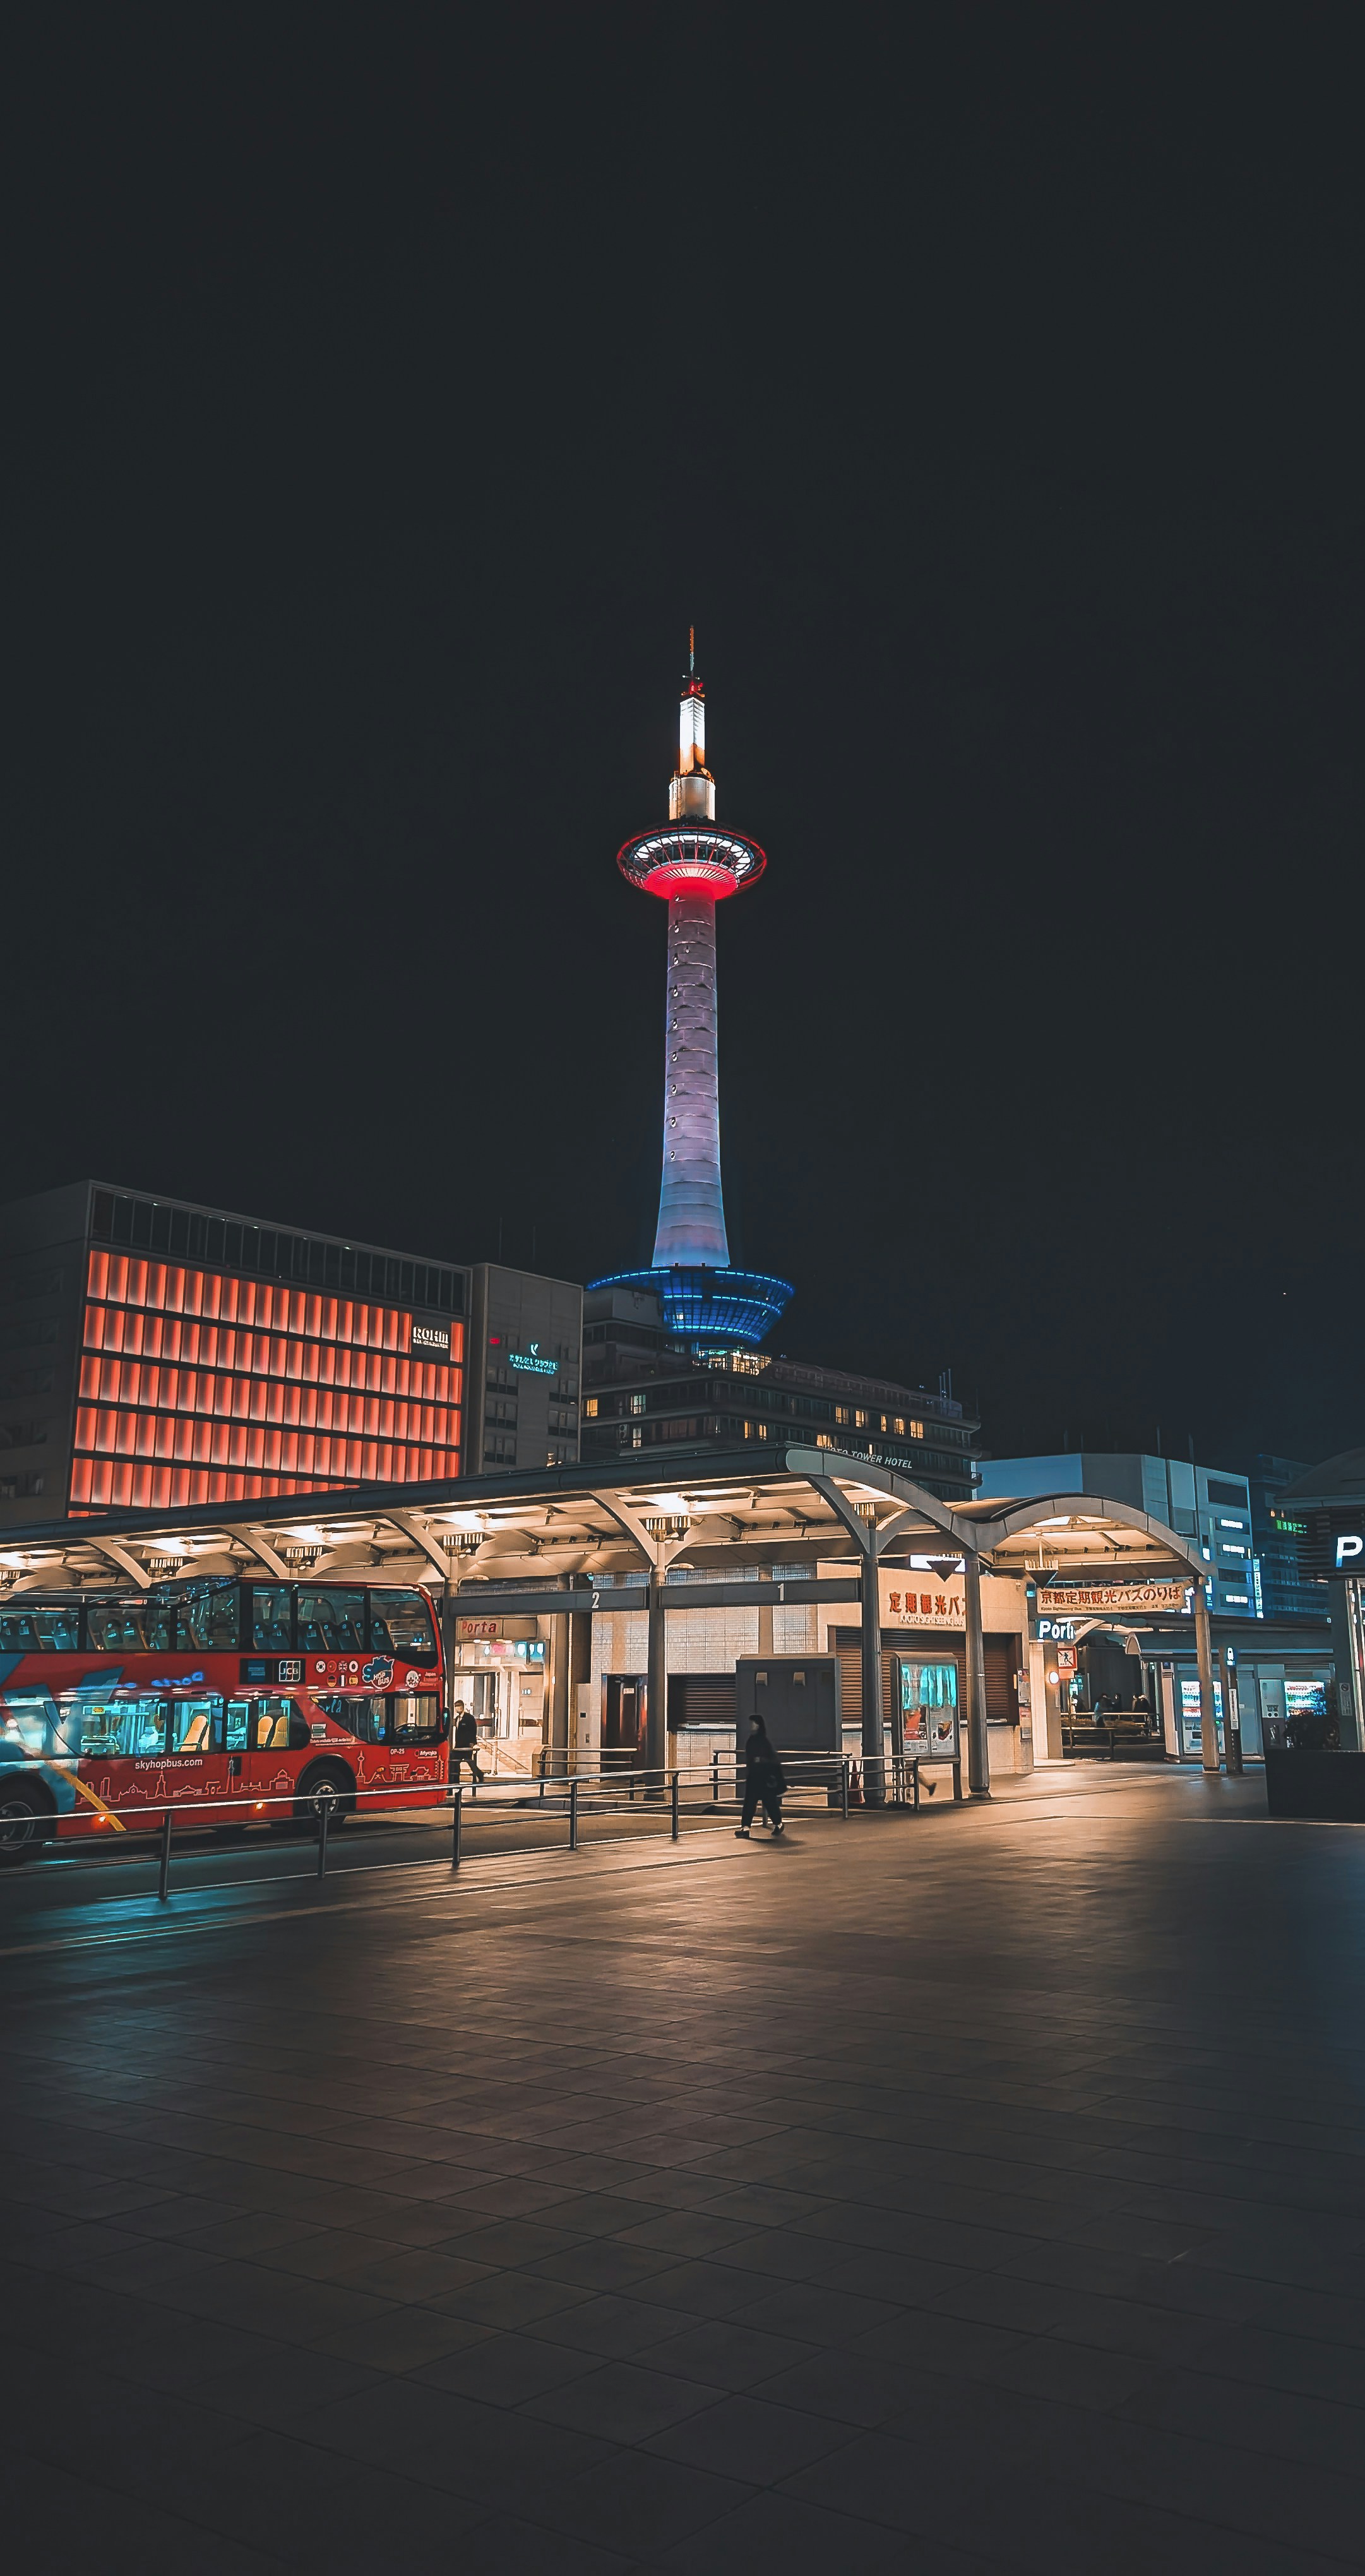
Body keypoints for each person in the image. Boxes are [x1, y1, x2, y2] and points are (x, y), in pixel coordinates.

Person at [736, 1712, 785, 1837]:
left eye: (753, 1723)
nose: (751, 1726)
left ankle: (776, 1824)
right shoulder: (755, 1740)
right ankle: (746, 1827)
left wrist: (760, 1760)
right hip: (756, 1777)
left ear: (758, 1725)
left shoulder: (762, 1741)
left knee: (766, 1803)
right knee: (754, 1803)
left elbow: (771, 1759)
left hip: (762, 1778)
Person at [450, 1702, 484, 1786]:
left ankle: (479, 1774)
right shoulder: (457, 1718)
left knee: (469, 1760)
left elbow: (473, 1730)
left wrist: (472, 1742)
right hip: (458, 1745)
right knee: (455, 1763)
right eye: (456, 1707)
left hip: (467, 1745)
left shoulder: (469, 1718)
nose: (457, 1708)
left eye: (458, 1706)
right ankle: (456, 1781)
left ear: (462, 1707)